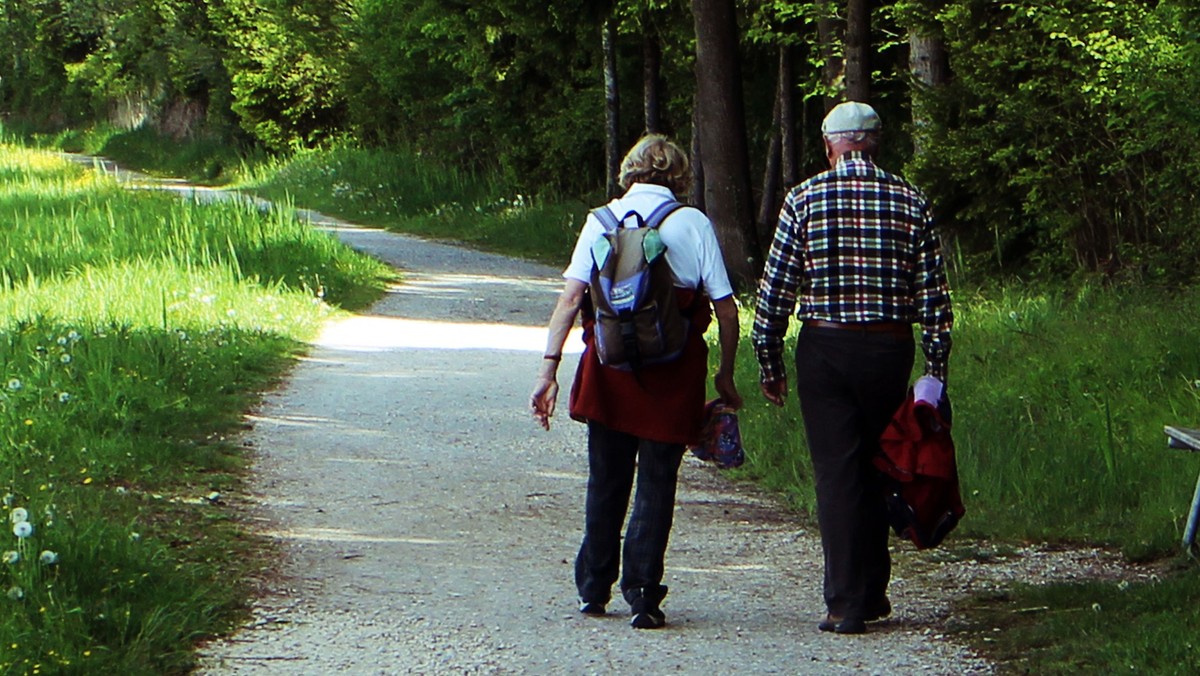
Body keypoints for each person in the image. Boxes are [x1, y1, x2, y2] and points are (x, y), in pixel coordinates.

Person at [751, 101, 953, 635]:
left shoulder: (804, 198)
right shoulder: (910, 199)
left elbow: (775, 292)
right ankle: (873, 591)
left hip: (825, 348)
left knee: (837, 472)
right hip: (889, 348)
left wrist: (769, 361)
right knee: (881, 461)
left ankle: (845, 602)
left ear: (829, 146)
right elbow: (934, 297)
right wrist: (935, 370)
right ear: (875, 143)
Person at [530, 134, 743, 630]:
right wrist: (725, 374)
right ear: (679, 176)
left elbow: (570, 299)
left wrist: (548, 371)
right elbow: (727, 309)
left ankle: (593, 588)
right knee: (657, 481)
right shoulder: (692, 222)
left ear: (629, 171)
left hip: (610, 368)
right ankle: (644, 594)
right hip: (673, 370)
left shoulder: (600, 221)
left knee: (606, 477)